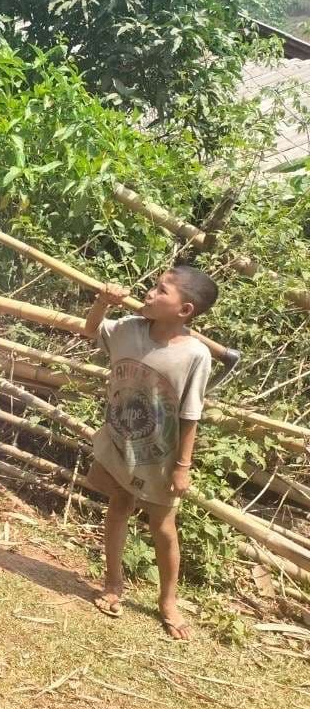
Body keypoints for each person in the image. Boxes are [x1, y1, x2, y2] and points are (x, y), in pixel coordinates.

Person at [83, 266, 217, 641]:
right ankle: (112, 584)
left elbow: (191, 414)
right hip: (120, 441)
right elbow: (91, 330)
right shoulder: (127, 328)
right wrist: (101, 302)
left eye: (161, 290)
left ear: (184, 310)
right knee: (118, 506)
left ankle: (168, 601)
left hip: (160, 455)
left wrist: (182, 467)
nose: (149, 293)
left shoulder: (194, 355)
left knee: (163, 527)